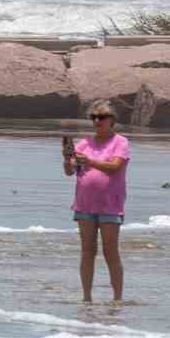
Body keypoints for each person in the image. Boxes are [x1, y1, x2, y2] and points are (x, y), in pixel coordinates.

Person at [64, 102, 129, 303]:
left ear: (112, 120)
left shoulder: (120, 142)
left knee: (110, 251)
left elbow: (115, 167)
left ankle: (117, 299)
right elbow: (69, 171)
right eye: (93, 117)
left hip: (110, 205)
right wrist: (67, 158)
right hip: (84, 204)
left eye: (102, 117)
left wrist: (90, 161)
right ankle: (86, 298)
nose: (97, 121)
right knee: (87, 251)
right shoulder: (84, 143)